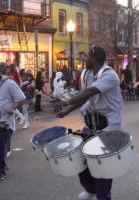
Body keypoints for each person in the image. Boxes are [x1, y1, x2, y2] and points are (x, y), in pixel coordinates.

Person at [58, 45, 123, 200]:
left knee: (102, 164)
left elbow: (91, 91)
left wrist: (67, 101)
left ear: (93, 58)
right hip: (92, 124)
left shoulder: (110, 75)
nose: (84, 58)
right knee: (81, 157)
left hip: (108, 127)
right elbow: (86, 97)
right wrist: (67, 110)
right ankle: (91, 188)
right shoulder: (88, 74)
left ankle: (103, 195)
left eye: (86, 56)